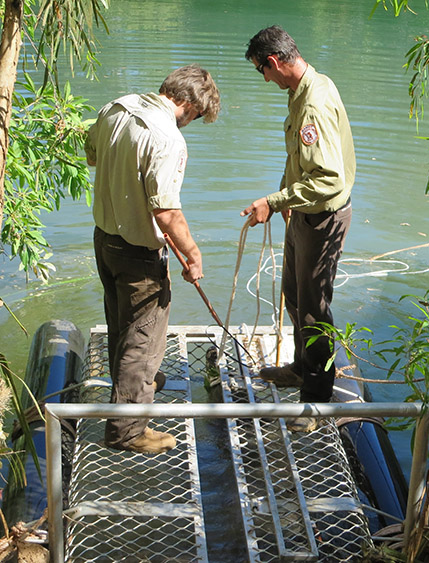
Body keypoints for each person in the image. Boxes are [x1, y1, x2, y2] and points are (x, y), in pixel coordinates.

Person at [85, 65, 221, 454]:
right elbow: (166, 212)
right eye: (196, 116)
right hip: (138, 254)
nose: (191, 123)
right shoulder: (168, 138)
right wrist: (193, 256)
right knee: (144, 339)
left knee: (121, 322)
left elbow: (92, 155)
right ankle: (127, 432)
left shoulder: (116, 108)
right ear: (188, 104)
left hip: (105, 240)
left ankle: (133, 386)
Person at [241, 26, 355, 432]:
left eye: (261, 71)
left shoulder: (313, 106)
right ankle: (301, 368)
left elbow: (329, 179)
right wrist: (286, 202)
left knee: (313, 309)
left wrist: (272, 202)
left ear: (273, 62)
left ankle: (316, 402)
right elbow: (301, 162)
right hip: (303, 213)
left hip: (322, 218)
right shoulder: (307, 88)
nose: (265, 79)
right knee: (294, 294)